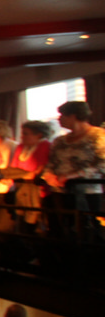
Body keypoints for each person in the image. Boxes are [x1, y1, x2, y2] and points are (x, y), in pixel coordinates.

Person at [44, 100, 105, 242]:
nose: (59, 119)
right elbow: (51, 163)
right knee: (66, 230)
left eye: (62, 115)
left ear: (73, 116)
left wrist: (73, 175)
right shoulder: (60, 140)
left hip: (87, 192)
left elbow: (102, 164)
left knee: (90, 231)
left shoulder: (98, 135)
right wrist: (49, 175)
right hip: (60, 191)